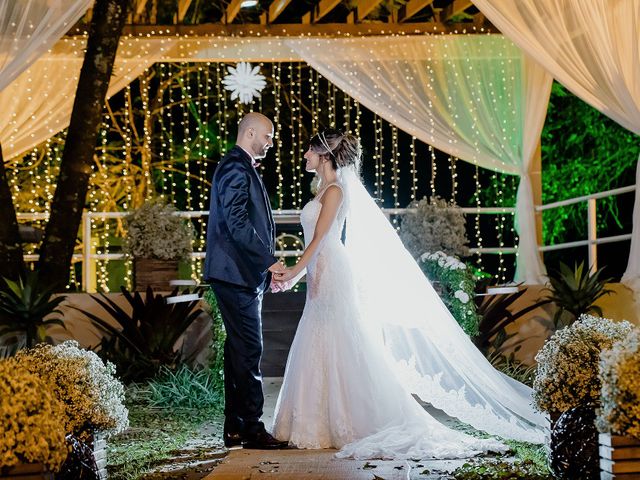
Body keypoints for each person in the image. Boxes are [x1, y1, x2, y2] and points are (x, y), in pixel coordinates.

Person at [270, 129, 547, 459]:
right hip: (320, 268)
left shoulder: (334, 192)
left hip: (330, 268)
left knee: (336, 335)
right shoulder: (323, 190)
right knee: (321, 336)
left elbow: (319, 240)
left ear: (325, 155)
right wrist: (298, 276)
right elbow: (314, 245)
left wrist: (293, 273)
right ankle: (317, 419)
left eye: (309, 151)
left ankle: (348, 418)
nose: (305, 155)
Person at [204, 112, 288, 450]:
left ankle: (236, 427)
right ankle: (252, 428)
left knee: (239, 349)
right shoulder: (235, 167)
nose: (270, 142)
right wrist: (268, 262)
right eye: (267, 136)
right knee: (250, 347)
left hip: (240, 274)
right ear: (250, 132)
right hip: (235, 274)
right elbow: (237, 224)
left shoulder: (239, 166)